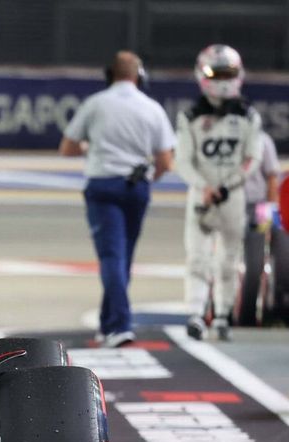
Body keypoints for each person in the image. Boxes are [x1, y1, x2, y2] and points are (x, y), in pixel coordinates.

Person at [59, 51, 176, 348]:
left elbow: (67, 147)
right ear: (140, 76)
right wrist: (150, 178)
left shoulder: (96, 104)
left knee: (112, 256)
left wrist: (91, 148)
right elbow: (166, 161)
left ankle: (119, 326)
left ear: (109, 74)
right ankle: (109, 322)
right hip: (136, 187)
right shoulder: (152, 108)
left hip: (103, 185)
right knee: (123, 257)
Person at [174, 44, 263, 341]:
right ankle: (196, 313)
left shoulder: (250, 117)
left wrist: (227, 185)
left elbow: (253, 158)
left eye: (229, 72)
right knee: (197, 257)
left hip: (233, 195)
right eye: (218, 72)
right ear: (203, 74)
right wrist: (204, 187)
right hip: (202, 195)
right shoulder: (190, 117)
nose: (224, 79)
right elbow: (183, 160)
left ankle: (224, 313)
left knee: (228, 259)